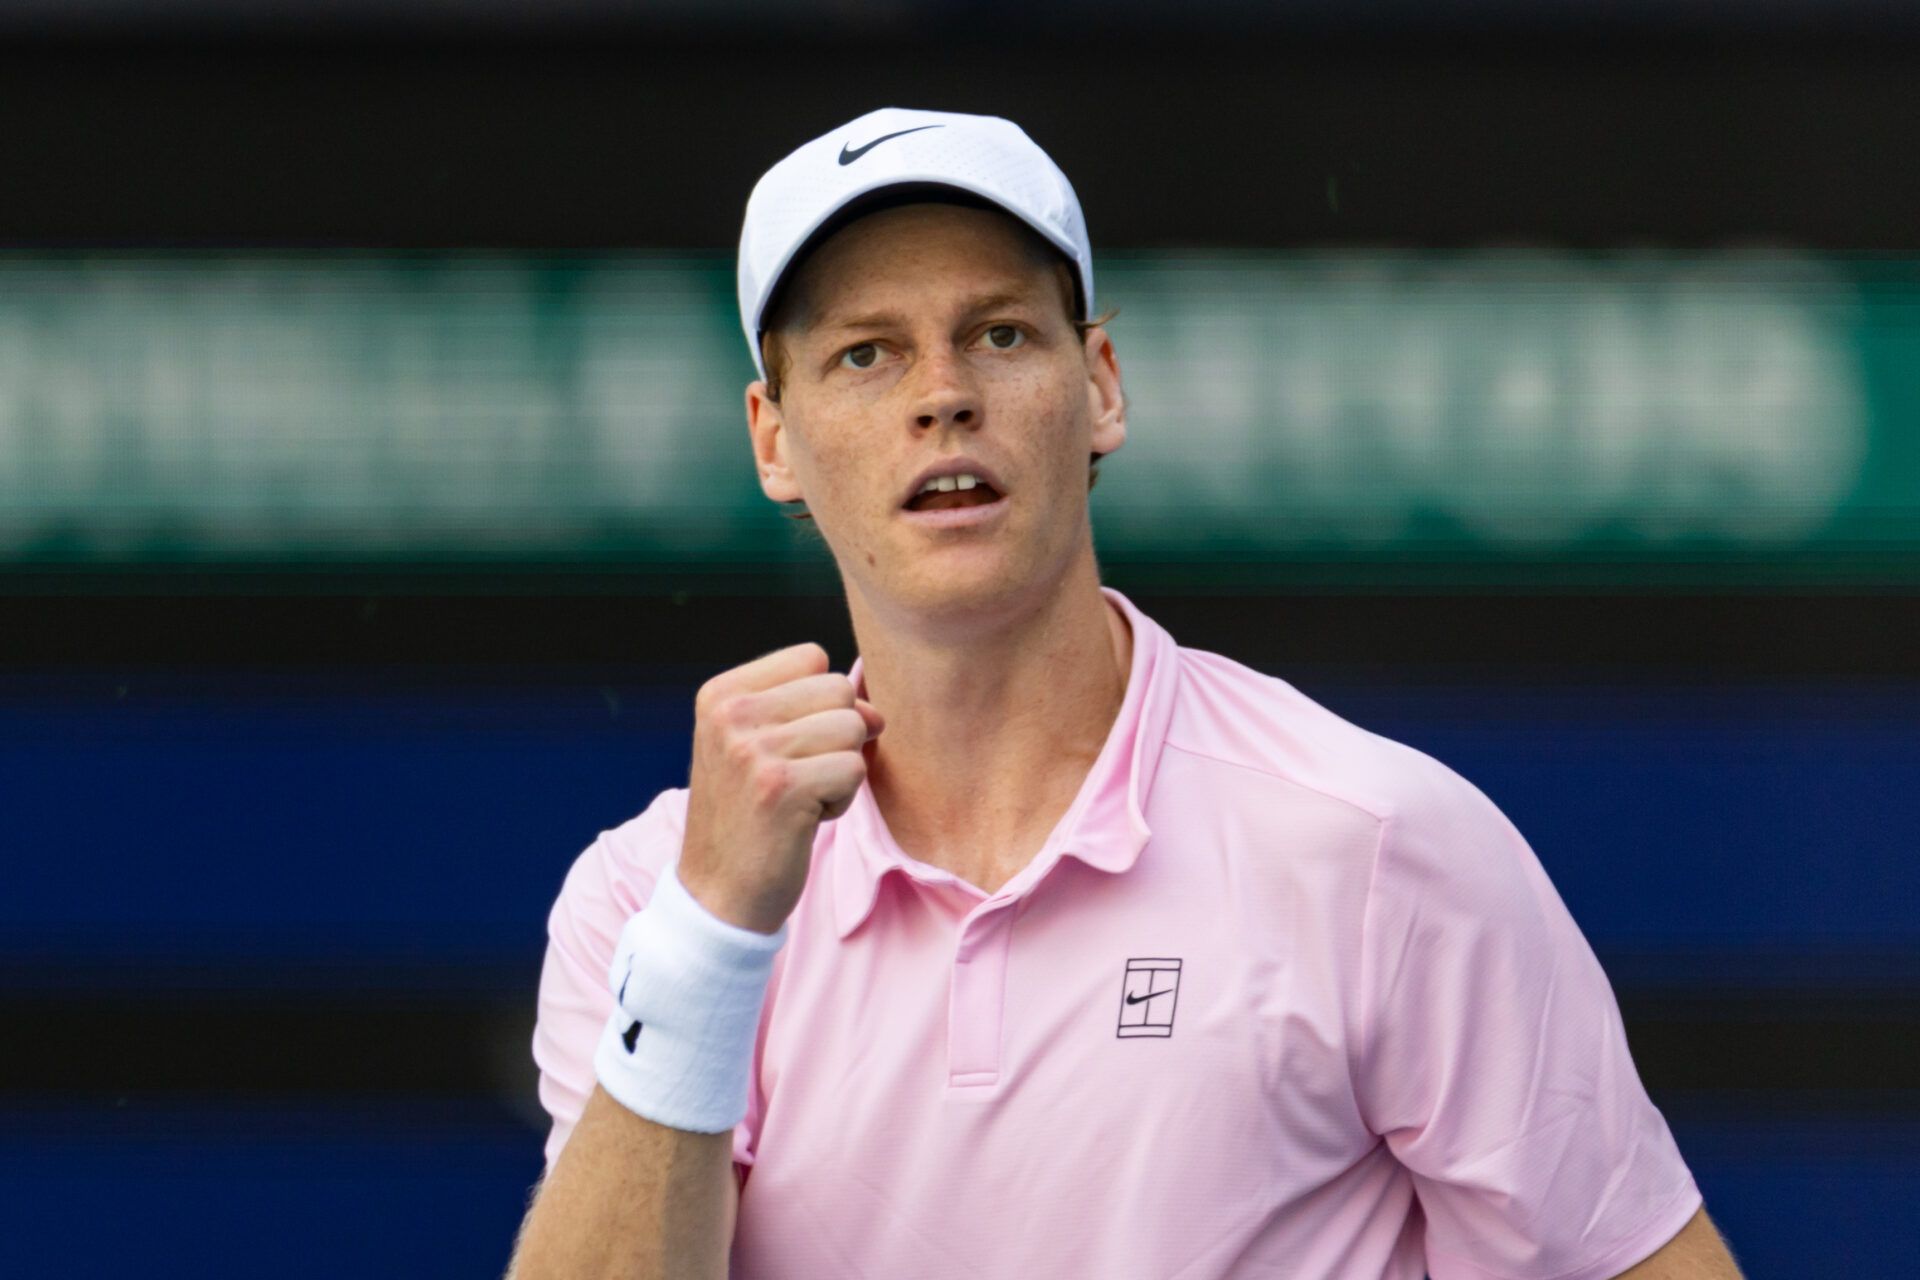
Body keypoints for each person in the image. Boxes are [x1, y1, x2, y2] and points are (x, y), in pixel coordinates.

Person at [505, 107, 1743, 1279]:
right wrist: (712, 936)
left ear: (1099, 384)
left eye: (999, 332)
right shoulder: (651, 902)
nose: (943, 392)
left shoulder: (1374, 844)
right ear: (775, 437)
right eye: (866, 352)